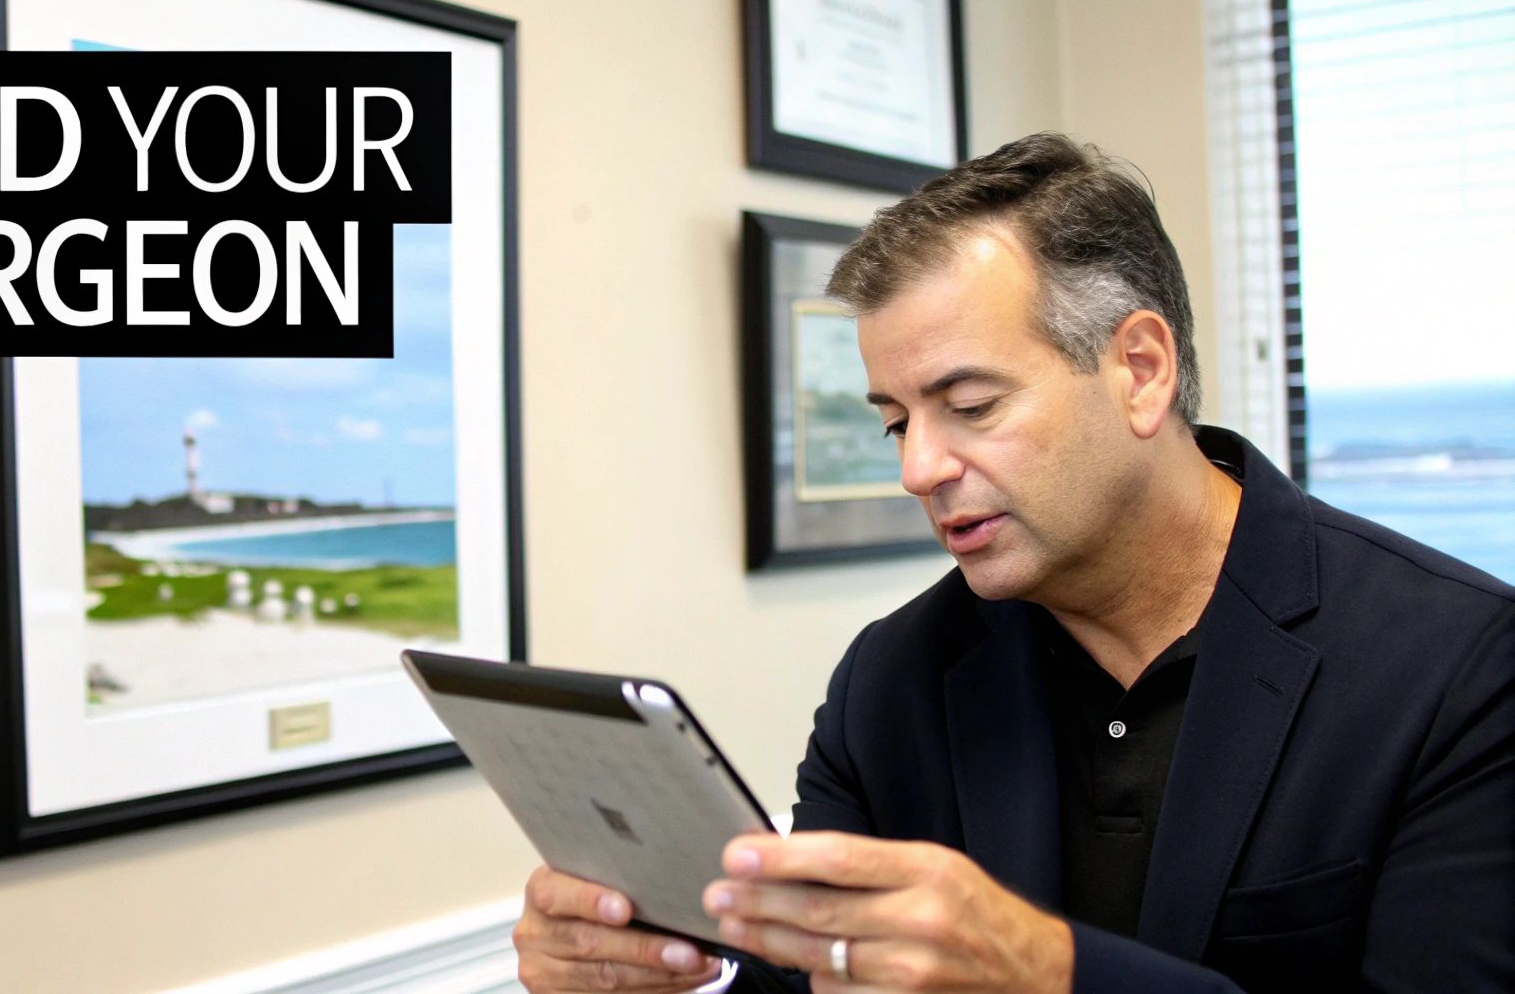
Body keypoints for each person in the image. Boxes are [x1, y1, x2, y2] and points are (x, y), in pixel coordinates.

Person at [511, 133, 1515, 993]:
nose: (917, 468)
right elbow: (801, 980)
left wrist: (1051, 972)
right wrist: (651, 971)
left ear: (1139, 371)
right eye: (896, 421)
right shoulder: (888, 683)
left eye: (970, 406)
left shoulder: (1457, 667)